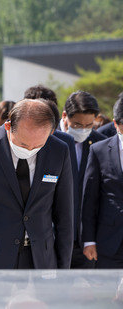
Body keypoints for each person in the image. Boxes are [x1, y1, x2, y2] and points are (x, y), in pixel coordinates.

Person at [0, 99, 74, 269]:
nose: (30, 150)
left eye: (38, 145)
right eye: (23, 144)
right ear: (8, 127)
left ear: (50, 132)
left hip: (40, 261)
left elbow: (65, 216)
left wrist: (63, 271)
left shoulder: (59, 151)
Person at [59, 91, 107, 268]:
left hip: (85, 240)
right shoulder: (48, 138)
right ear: (65, 116)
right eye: (77, 125)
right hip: (53, 235)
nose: (83, 130)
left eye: (89, 125)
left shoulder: (100, 144)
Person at [82, 96, 123, 268]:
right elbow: (90, 199)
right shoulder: (99, 150)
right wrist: (88, 240)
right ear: (115, 124)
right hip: (109, 241)